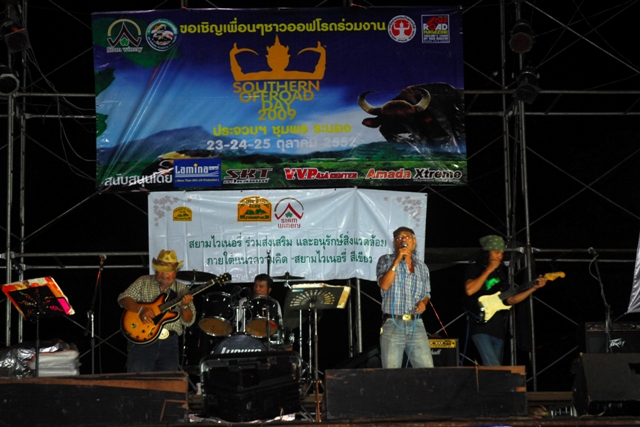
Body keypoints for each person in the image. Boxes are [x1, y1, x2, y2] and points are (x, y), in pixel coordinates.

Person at [464, 235, 547, 366]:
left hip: (498, 331)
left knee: (491, 371)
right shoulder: (475, 269)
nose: (500, 256)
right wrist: (488, 269)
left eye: (502, 253)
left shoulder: (501, 275)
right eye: (496, 252)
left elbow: (511, 300)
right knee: (494, 367)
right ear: (487, 252)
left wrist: (533, 288)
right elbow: (469, 290)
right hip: (480, 328)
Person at [118, 249, 196, 372]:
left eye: (168, 271)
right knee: (139, 381)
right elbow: (123, 298)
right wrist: (140, 309)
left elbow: (188, 321)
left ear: (175, 272)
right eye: (161, 270)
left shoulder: (182, 289)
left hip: (169, 344)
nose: (164, 274)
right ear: (155, 270)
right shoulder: (143, 281)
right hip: (142, 343)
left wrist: (185, 307)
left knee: (167, 382)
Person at [376, 226, 434, 369]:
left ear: (414, 241)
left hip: (416, 324)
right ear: (395, 243)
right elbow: (384, 285)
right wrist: (396, 261)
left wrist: (423, 303)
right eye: (399, 238)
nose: (403, 239)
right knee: (391, 374)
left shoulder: (422, 267)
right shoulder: (386, 260)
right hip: (392, 324)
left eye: (407, 236)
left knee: (427, 372)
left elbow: (427, 294)